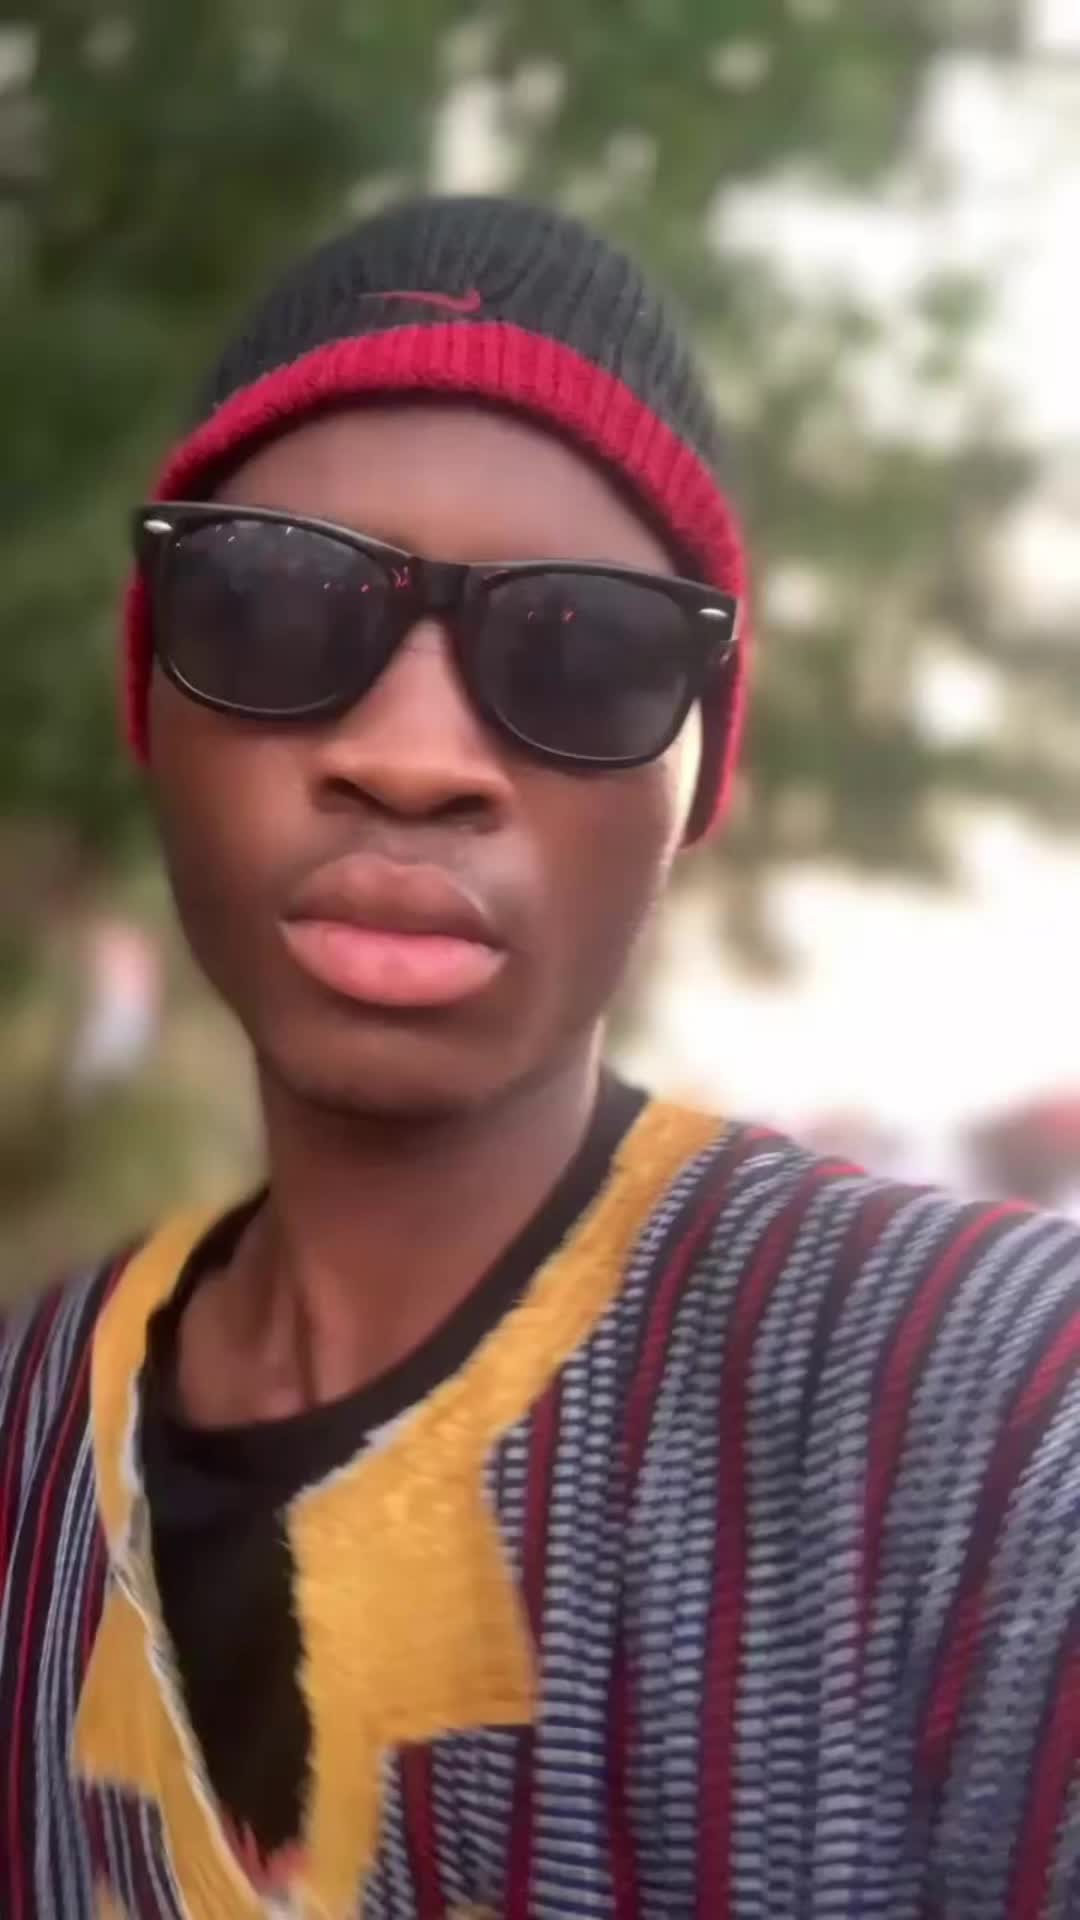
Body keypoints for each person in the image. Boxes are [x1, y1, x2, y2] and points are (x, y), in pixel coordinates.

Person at [2, 196, 1079, 1920]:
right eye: (275, 606)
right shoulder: (26, 1432)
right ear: (151, 695)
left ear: (698, 779)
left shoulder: (998, 1426)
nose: (414, 755)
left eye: (586, 652)